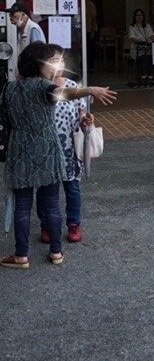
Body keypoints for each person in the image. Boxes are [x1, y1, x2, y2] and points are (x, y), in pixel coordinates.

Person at [0, 42, 117, 269]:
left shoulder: (9, 88)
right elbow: (66, 93)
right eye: (49, 62)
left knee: (22, 205)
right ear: (39, 64)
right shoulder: (44, 87)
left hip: (19, 149)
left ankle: (21, 255)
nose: (53, 67)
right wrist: (90, 90)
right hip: (46, 148)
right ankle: (56, 252)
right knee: (52, 203)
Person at [37, 44, 92, 245]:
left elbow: (82, 114)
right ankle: (46, 225)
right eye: (52, 60)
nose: (57, 64)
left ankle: (74, 223)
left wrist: (86, 120)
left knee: (72, 187)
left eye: (60, 60)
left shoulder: (72, 86)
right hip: (45, 148)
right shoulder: (38, 87)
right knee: (45, 189)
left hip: (68, 148)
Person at [129, 9, 154, 85]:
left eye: (141, 15)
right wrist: (138, 40)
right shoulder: (132, 27)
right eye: (137, 15)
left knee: (150, 57)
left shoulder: (147, 26)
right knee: (143, 57)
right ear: (134, 17)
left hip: (147, 48)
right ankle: (142, 76)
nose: (139, 17)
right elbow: (131, 37)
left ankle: (150, 76)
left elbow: (152, 34)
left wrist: (152, 38)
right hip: (137, 48)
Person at [85, 0, 98, 74]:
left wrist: (93, 31)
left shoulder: (90, 4)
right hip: (82, 31)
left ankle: (91, 67)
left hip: (90, 30)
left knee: (91, 49)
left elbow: (94, 19)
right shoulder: (78, 4)